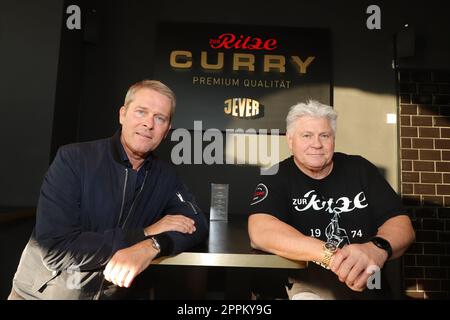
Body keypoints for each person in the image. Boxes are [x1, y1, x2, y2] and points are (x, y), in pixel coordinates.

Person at [9, 80, 208, 300]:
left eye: (159, 118)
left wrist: (152, 245)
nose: (149, 124)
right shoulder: (74, 159)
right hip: (44, 295)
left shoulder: (166, 176)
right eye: (141, 112)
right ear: (123, 114)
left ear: (167, 130)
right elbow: (55, 248)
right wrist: (144, 233)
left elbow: (196, 223)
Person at [248, 100, 415, 299]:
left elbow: (402, 225)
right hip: (308, 284)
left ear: (333, 139)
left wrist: (376, 249)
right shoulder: (276, 176)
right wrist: (333, 256)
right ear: (290, 140)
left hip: (367, 283)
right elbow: (260, 230)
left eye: (324, 135)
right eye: (307, 135)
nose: (316, 144)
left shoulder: (360, 169)